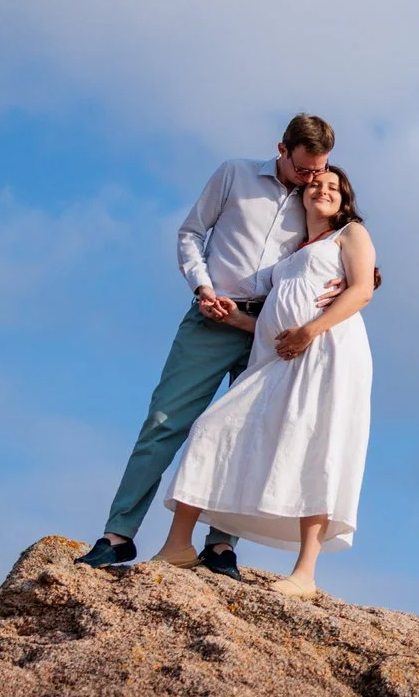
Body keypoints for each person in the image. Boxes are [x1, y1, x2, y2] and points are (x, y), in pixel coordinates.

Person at [79, 114, 345, 575]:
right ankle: (118, 536)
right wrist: (202, 287)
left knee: (248, 433)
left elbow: (346, 243)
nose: (313, 178)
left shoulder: (318, 194)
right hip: (211, 319)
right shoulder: (234, 174)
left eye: (320, 168)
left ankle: (220, 546)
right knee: (165, 421)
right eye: (304, 169)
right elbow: (191, 232)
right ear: (282, 149)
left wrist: (355, 281)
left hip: (271, 330)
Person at [155, 165, 376, 598]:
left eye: (333, 186)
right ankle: (176, 546)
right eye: (315, 183)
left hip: (326, 353)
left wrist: (309, 331)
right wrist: (232, 315)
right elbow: (275, 316)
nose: (322, 189)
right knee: (213, 428)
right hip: (279, 355)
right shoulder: (294, 251)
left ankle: (305, 574)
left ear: (344, 199)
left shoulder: (351, 234)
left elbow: (363, 289)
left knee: (318, 447)